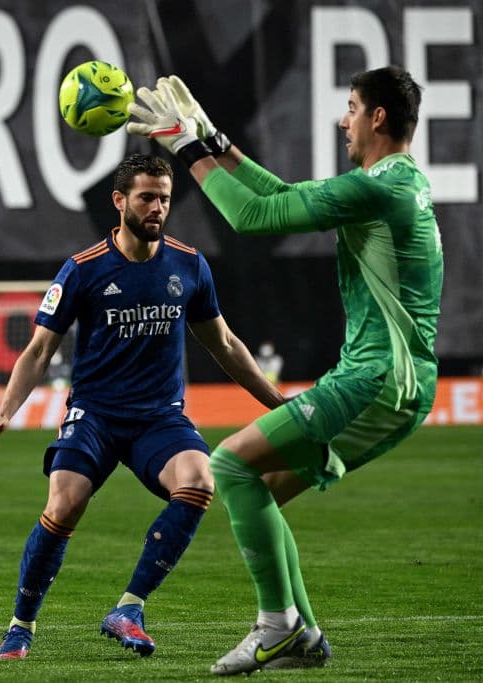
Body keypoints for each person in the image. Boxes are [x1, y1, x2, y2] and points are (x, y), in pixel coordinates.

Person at [128, 67, 443, 674]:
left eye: (351, 107)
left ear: (378, 117)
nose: (342, 119)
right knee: (264, 488)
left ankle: (276, 625)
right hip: (403, 385)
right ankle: (303, 637)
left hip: (374, 379)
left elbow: (253, 218)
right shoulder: (393, 183)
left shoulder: (380, 187)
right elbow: (279, 196)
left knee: (228, 464)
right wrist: (217, 142)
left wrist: (185, 147)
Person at [0, 154, 286, 660]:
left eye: (164, 197)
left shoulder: (189, 264)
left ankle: (129, 608)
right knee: (64, 504)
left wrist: (278, 402)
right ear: (119, 201)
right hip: (94, 413)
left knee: (200, 480)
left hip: (159, 417)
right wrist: (6, 410)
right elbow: (38, 350)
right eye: (146, 197)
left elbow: (224, 344)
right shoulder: (83, 269)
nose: (158, 207)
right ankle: (20, 626)